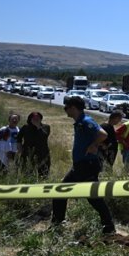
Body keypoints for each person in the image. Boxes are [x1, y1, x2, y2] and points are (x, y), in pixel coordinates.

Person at [51, 96, 115, 234]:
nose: (65, 110)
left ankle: (109, 227)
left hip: (87, 165)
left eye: (66, 107)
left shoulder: (86, 121)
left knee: (93, 198)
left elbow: (103, 134)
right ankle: (57, 224)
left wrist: (94, 145)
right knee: (61, 192)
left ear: (73, 108)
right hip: (80, 165)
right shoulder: (80, 122)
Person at [17, 111, 52, 180]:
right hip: (28, 154)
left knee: (43, 175)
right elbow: (18, 138)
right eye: (34, 118)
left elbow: (44, 136)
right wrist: (20, 148)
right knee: (26, 175)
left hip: (42, 154)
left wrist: (38, 126)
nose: (36, 120)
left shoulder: (46, 127)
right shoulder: (25, 127)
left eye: (38, 118)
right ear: (30, 119)